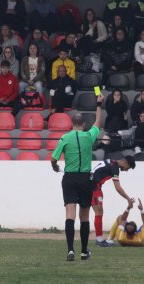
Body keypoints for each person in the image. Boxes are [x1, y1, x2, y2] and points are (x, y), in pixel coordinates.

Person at [51, 93, 104, 262]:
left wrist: (55, 167)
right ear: (84, 124)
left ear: (72, 124)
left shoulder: (65, 138)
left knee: (70, 215)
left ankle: (70, 251)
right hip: (85, 179)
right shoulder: (89, 136)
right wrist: (98, 104)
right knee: (85, 217)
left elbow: (53, 159)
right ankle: (83, 251)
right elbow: (98, 123)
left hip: (69, 178)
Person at [91, 156, 136, 246]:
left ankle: (99, 239)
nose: (126, 170)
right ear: (125, 163)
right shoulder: (115, 168)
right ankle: (99, 241)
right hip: (93, 186)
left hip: (94, 185)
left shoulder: (111, 161)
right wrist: (128, 199)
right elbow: (117, 187)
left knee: (98, 212)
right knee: (99, 212)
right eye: (128, 168)